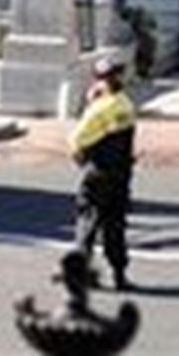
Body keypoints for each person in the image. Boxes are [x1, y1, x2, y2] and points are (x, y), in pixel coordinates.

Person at [69, 54, 138, 292]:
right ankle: (120, 275)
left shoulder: (99, 109)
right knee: (115, 226)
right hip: (121, 175)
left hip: (98, 173)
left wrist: (90, 105)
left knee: (87, 223)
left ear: (100, 80)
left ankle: (81, 275)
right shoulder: (127, 105)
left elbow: (77, 140)